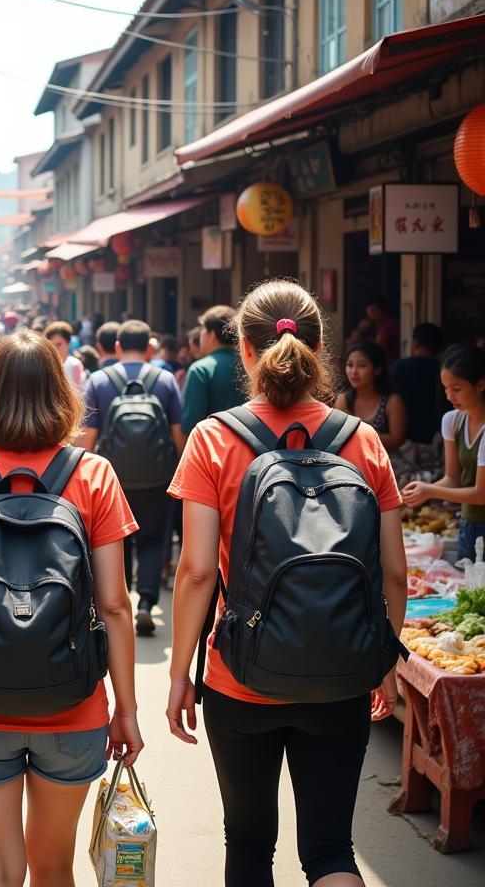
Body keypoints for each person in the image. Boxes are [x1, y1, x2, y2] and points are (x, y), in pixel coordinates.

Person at [166, 278, 407, 887]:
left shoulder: (213, 439)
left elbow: (195, 571)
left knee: (248, 846)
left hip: (240, 676)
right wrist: (384, 660)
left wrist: (179, 676)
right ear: (319, 346)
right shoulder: (363, 439)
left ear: (244, 351)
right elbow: (395, 571)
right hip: (341, 675)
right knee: (330, 850)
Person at [0, 330, 143, 887]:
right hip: (74, 704)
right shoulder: (92, 474)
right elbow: (115, 605)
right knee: (53, 868)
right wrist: (126, 708)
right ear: (60, 393)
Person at [80, 320, 185, 636]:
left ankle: (120, 600)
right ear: (149, 347)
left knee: (116, 538)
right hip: (156, 477)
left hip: (111, 477)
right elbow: (178, 433)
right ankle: (146, 603)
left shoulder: (98, 380)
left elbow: (89, 438)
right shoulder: (165, 380)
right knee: (152, 540)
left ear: (116, 347)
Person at [401, 345, 485, 562]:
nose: (449, 396)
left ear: (481, 385)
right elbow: (452, 479)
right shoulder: (453, 420)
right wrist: (415, 493)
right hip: (467, 525)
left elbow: (480, 494)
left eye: (456, 389)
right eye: (446, 388)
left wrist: (429, 491)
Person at [181, 305, 246, 436]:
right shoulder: (249, 365)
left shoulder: (200, 370)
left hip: (213, 449)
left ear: (211, 334)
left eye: (202, 329)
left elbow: (191, 425)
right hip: (253, 448)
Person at [335, 343, 408, 452]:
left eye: (362, 365)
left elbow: (397, 440)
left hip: (386, 461)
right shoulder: (343, 400)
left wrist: (359, 432)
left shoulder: (392, 401)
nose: (354, 372)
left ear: (377, 369)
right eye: (350, 365)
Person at [391, 323, 445, 446]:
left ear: (415, 343)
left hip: (403, 439)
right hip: (435, 437)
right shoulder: (442, 372)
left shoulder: (398, 368)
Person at [45, 321, 86, 391]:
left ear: (68, 342)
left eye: (59, 344)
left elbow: (80, 394)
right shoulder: (44, 365)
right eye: (52, 345)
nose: (55, 349)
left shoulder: (74, 365)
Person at [366, 298, 400, 366]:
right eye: (368, 313)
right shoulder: (375, 326)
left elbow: (376, 348)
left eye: (373, 311)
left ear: (382, 310)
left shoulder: (389, 324)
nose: (370, 315)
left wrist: (360, 332)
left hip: (390, 365)